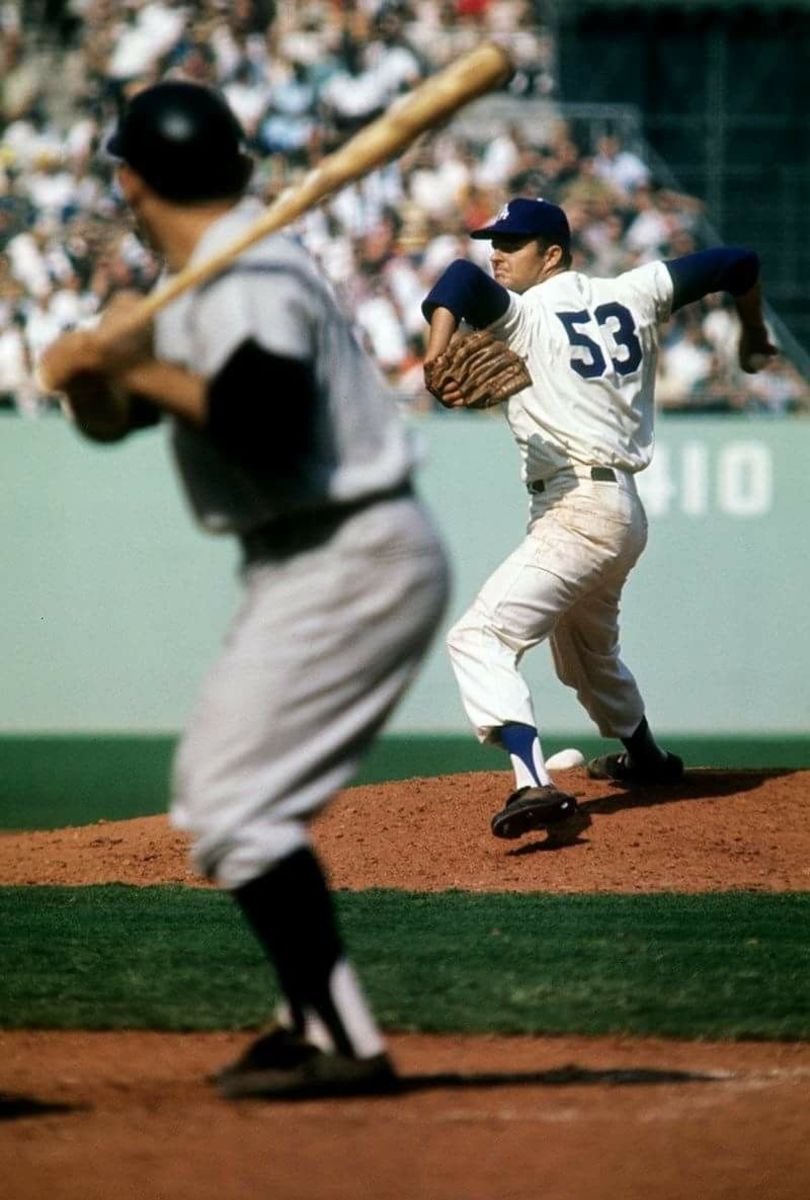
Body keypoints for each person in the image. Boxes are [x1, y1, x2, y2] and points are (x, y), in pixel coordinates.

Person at [40, 81, 449, 1100]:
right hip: (312, 558)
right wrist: (93, 374)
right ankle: (307, 1015)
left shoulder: (245, 273)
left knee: (231, 804)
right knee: (240, 799)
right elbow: (119, 422)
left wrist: (127, 352)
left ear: (129, 179)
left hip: (349, 550)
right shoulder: (208, 276)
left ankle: (344, 1039)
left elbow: (261, 423)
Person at [421, 197, 776, 843]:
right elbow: (738, 261)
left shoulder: (522, 315)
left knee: (479, 638)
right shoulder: (636, 291)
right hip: (622, 513)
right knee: (584, 650)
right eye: (495, 240)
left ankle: (532, 784)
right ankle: (646, 760)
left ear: (552, 253)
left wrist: (435, 355)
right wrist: (752, 332)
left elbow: (455, 280)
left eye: (514, 242)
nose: (497, 253)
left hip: (576, 509)